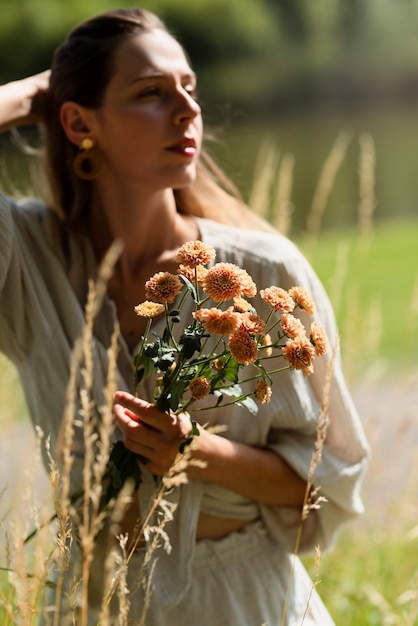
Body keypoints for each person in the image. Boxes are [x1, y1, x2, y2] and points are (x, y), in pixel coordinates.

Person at [0, 8, 369, 625]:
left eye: (189, 89)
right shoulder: (28, 261)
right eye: (151, 93)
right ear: (77, 122)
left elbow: (327, 483)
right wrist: (29, 95)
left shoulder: (263, 271)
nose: (186, 110)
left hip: (241, 601)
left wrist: (194, 452)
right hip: (92, 605)